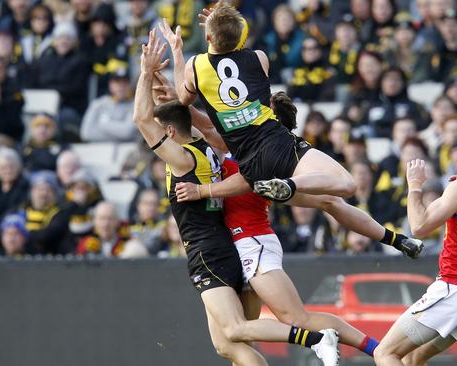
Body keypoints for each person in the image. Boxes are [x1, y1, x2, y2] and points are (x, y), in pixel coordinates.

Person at [133, 33, 339, 366]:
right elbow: (185, 112)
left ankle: (316, 337)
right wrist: (167, 74)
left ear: (169, 134)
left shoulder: (184, 160)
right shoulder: (204, 148)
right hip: (223, 245)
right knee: (227, 345)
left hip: (207, 251)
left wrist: (145, 73)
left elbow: (142, 119)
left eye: (162, 130)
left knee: (236, 329)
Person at [159, 2, 421, 254]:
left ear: (208, 38)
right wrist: (221, 28)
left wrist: (178, 50)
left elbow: (185, 102)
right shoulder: (259, 58)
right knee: (346, 185)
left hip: (254, 170)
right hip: (279, 149)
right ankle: (290, 183)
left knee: (330, 202)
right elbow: (237, 42)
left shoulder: (196, 68)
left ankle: (397, 240)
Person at [374, 122, 457, 366]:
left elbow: (418, 227)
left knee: (385, 354)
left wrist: (414, 186)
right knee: (413, 359)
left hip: (454, 290)